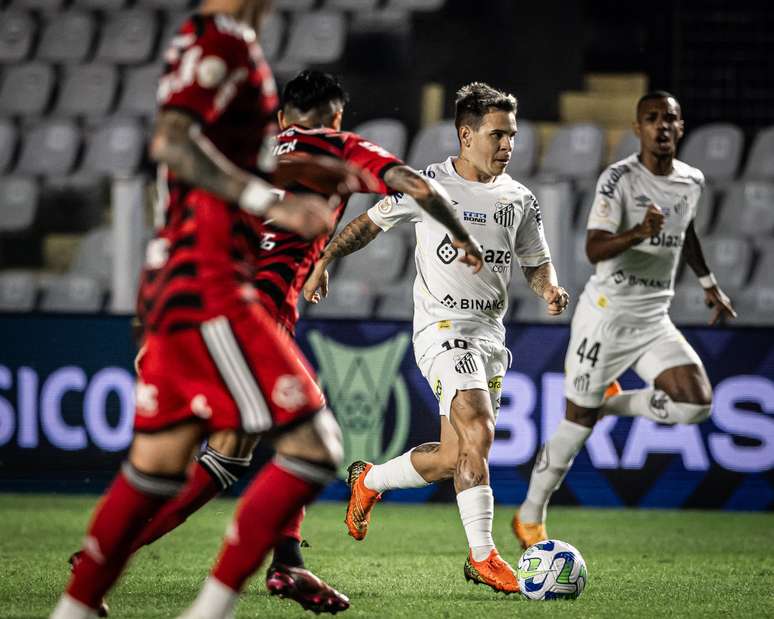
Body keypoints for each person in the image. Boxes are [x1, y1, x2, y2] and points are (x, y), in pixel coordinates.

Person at [124, 69, 482, 615]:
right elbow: (415, 184)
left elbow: (182, 219)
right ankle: (248, 568)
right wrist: (458, 232)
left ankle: (282, 562)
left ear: (281, 115)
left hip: (194, 304)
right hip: (255, 319)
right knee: (305, 442)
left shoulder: (246, 150)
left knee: (224, 450)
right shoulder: (338, 147)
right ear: (336, 116)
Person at [50, 2, 365, 618]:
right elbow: (174, 144)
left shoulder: (200, 43)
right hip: (221, 300)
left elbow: (189, 175)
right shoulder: (226, 43)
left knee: (167, 462)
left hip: (188, 292)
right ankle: (220, 598)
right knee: (305, 443)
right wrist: (266, 199)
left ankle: (86, 595)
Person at [304, 82, 570, 594]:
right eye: (497, 135)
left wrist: (550, 289)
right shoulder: (429, 186)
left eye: (512, 135)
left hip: (491, 333)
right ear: (466, 135)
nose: (508, 146)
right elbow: (368, 224)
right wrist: (324, 260)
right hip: (442, 329)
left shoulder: (520, 197)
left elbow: (536, 264)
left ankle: (370, 481)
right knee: (479, 425)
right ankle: (484, 556)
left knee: (456, 457)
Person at [512, 91, 738, 549]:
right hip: (606, 318)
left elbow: (686, 231)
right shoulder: (618, 180)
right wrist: (638, 233)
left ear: (680, 126)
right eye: (652, 119)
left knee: (696, 406)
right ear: (638, 129)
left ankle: (611, 403)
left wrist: (709, 283)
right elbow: (593, 249)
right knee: (575, 425)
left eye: (670, 119)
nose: (662, 127)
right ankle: (530, 514)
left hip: (654, 318)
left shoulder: (691, 181)